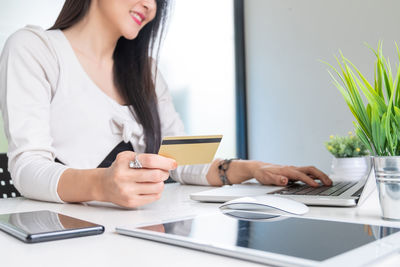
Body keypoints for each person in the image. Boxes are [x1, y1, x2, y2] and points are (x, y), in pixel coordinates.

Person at [0, 0, 331, 208]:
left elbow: (179, 160)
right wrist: (102, 184)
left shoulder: (148, 72)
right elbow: (27, 168)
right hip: (72, 239)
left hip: (142, 232)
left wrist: (254, 169)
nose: (150, 5)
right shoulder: (34, 48)